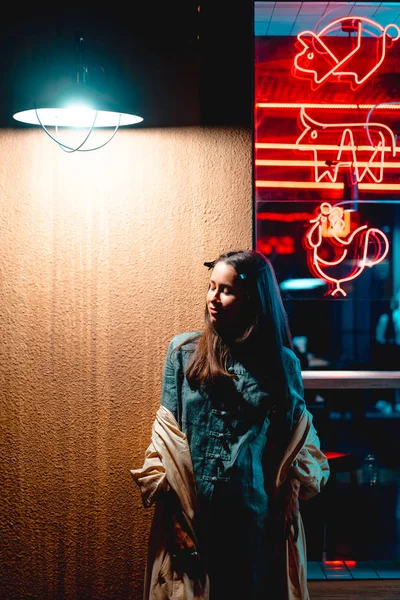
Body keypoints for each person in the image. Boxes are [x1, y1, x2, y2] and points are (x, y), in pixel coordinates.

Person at [131, 249, 329, 600]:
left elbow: (294, 442)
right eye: (211, 287)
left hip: (253, 518)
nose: (213, 298)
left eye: (225, 290)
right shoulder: (183, 352)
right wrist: (174, 522)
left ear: (252, 297)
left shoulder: (280, 364)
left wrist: (290, 497)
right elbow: (165, 444)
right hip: (193, 514)